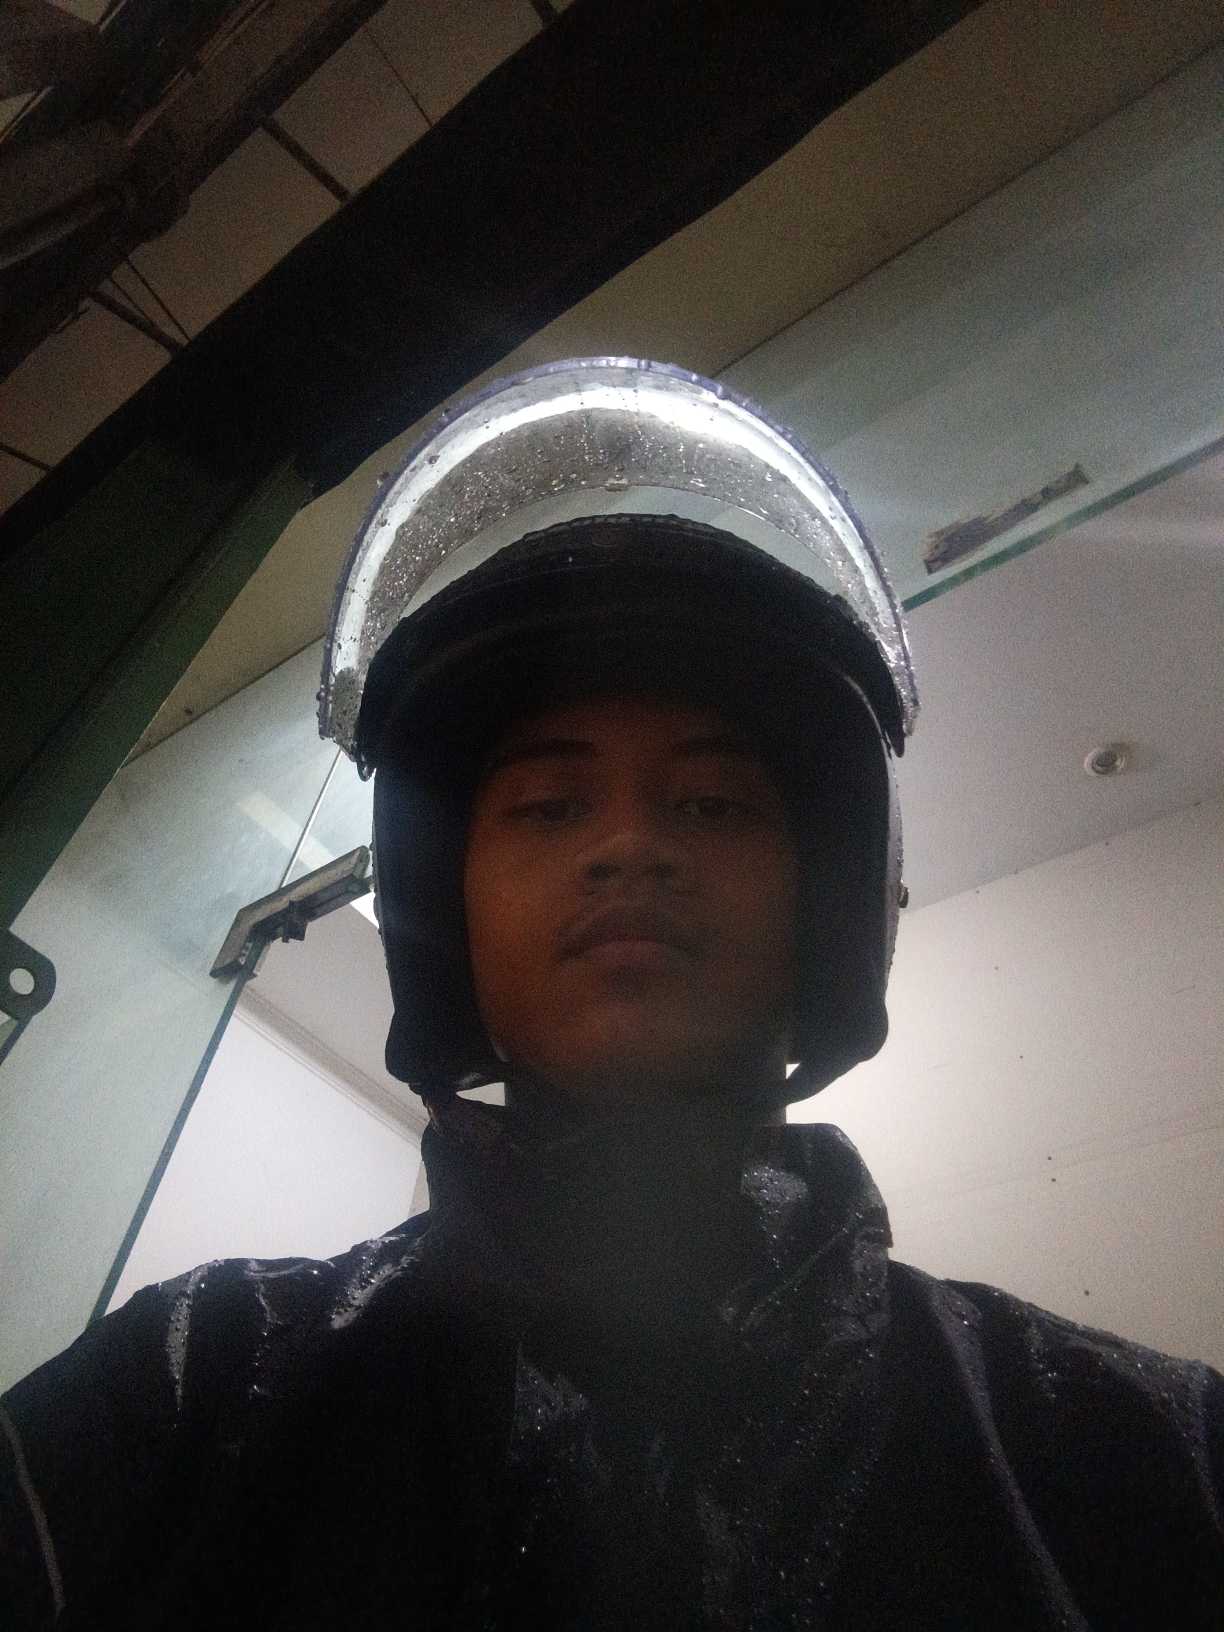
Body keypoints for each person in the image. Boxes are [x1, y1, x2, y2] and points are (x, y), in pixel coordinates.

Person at [2, 361, 1221, 1629]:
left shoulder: (1137, 1461)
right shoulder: (194, 1394)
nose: (630, 846)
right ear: (444, 913)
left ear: (830, 907)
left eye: (712, 803)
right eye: (547, 805)